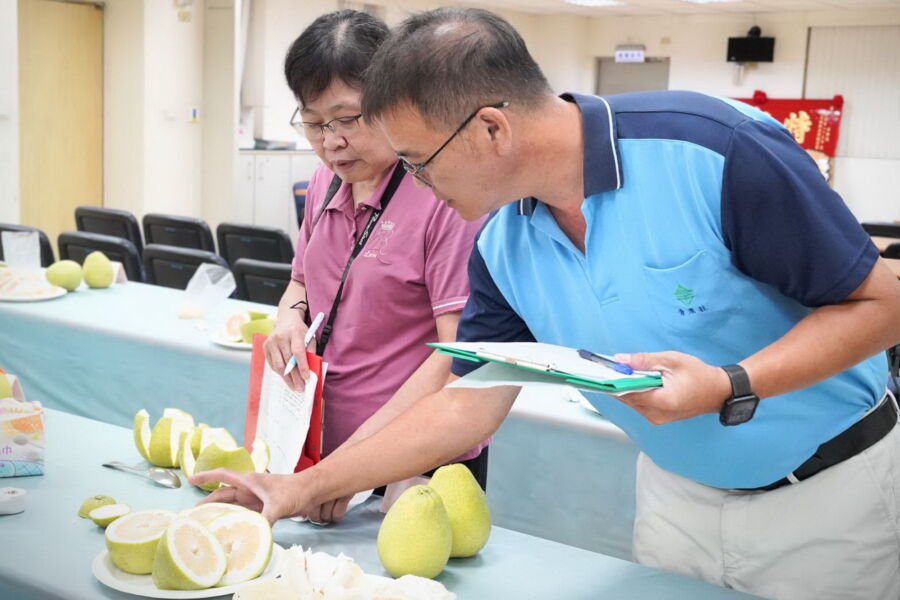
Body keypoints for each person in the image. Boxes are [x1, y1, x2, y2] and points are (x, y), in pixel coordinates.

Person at [192, 8, 900, 599]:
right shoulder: (503, 235)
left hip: (828, 497)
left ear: (492, 130)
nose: (412, 183)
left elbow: (883, 304)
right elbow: (466, 398)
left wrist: (730, 385)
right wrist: (295, 488)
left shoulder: (714, 151)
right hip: (674, 496)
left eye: (417, 162)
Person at [261, 9, 487, 518]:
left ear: (394, 102)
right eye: (315, 123)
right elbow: (302, 280)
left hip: (413, 457)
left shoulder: (443, 196)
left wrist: (358, 462)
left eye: (347, 118)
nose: (331, 142)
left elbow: (459, 353)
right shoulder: (325, 181)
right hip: (326, 442)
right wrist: (287, 318)